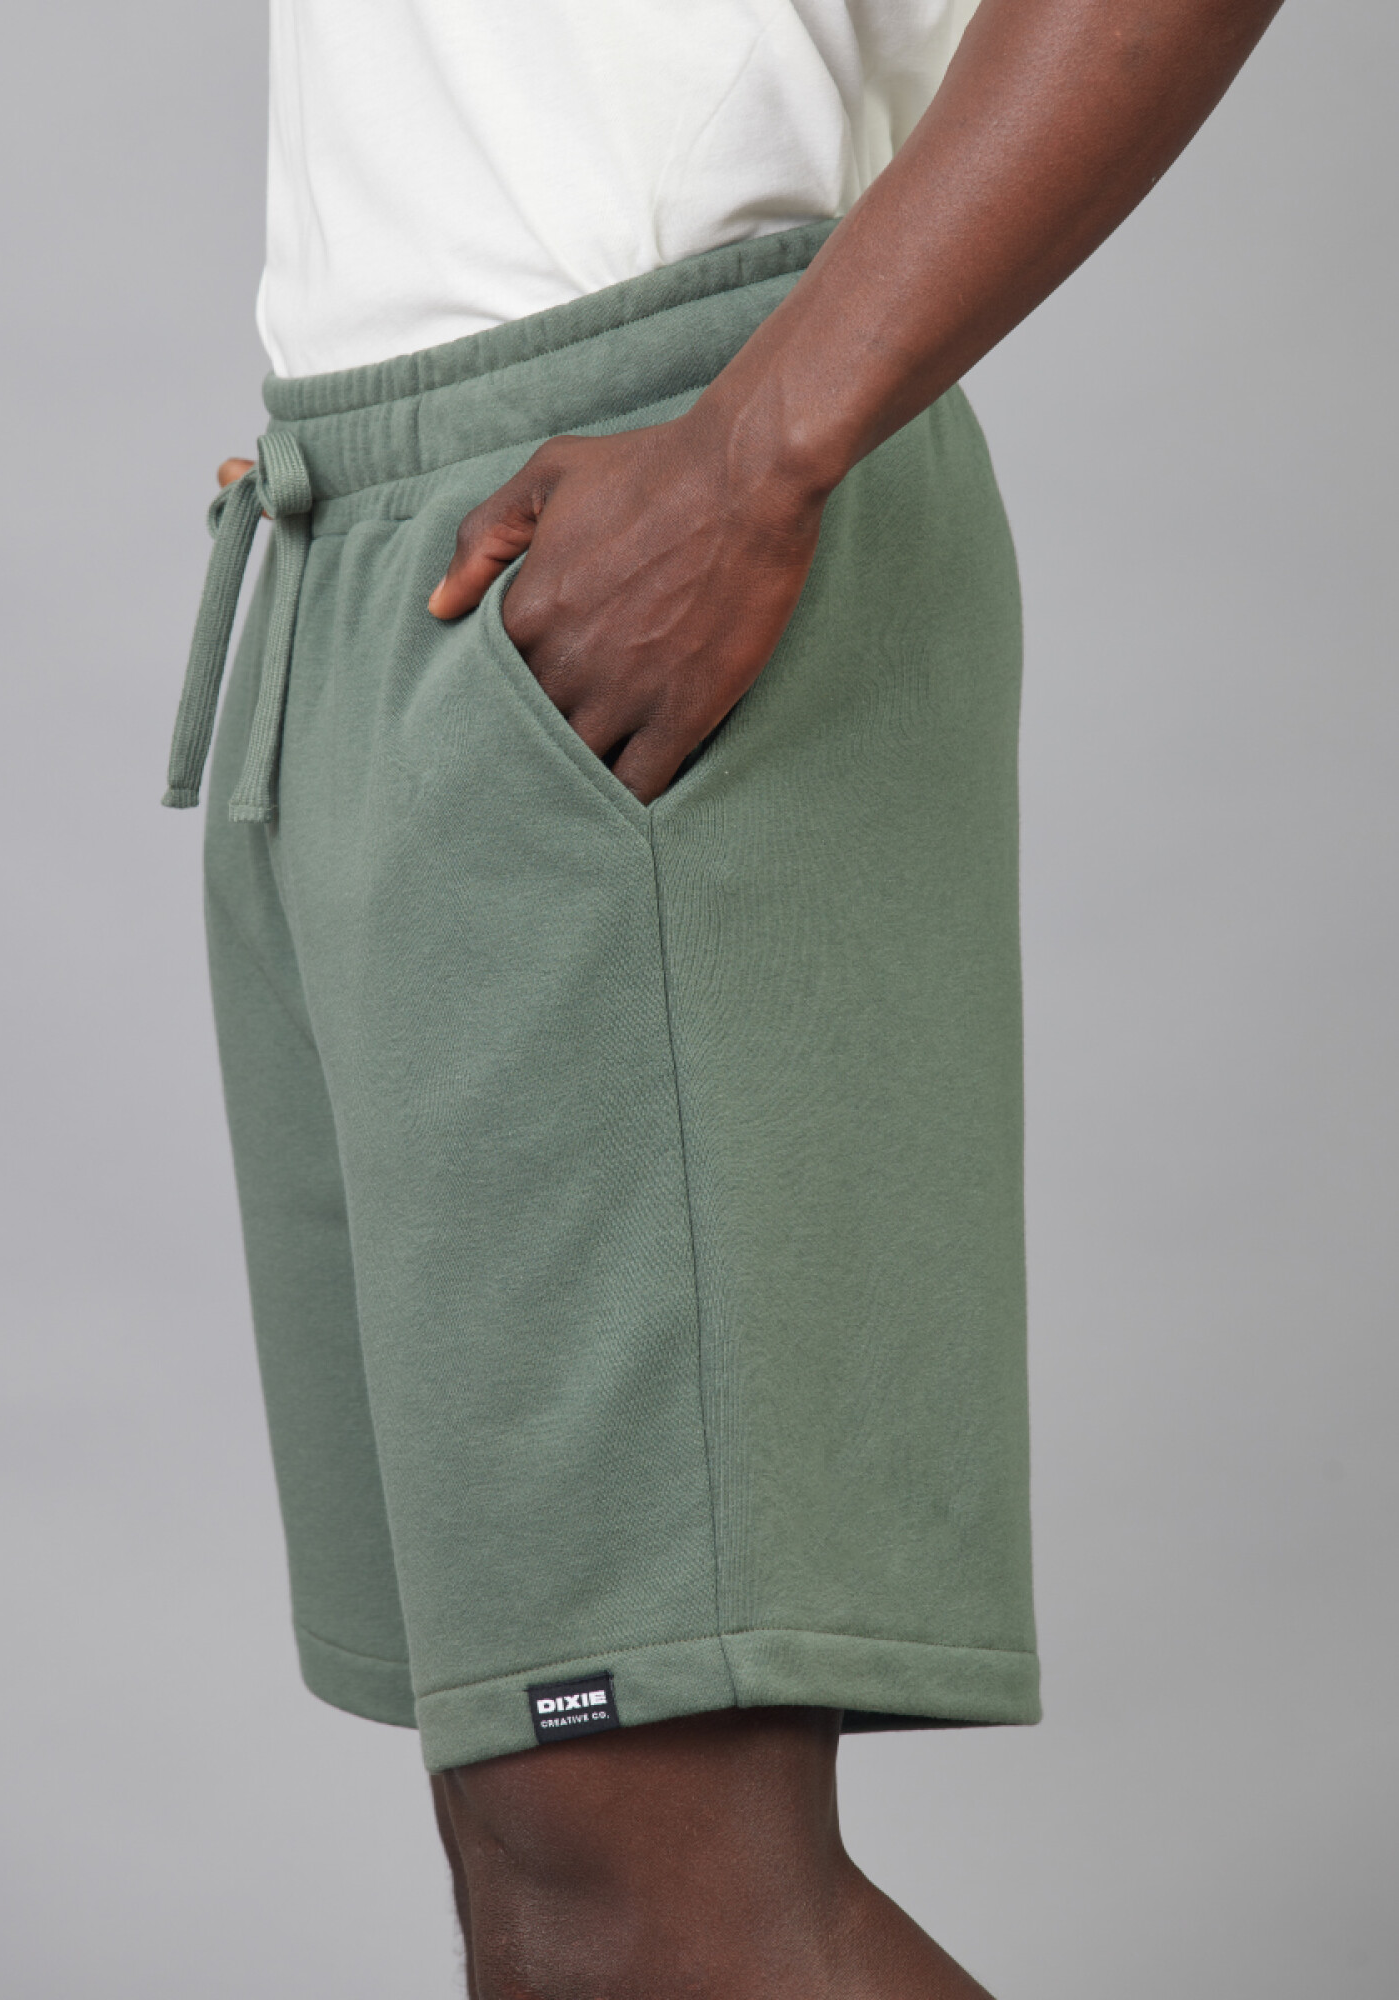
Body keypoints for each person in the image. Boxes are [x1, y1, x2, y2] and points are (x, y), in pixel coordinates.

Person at [164, 2, 1283, 1992]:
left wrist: (756, 459)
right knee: (539, 1882)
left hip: (629, 501)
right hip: (349, 536)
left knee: (649, 1902)